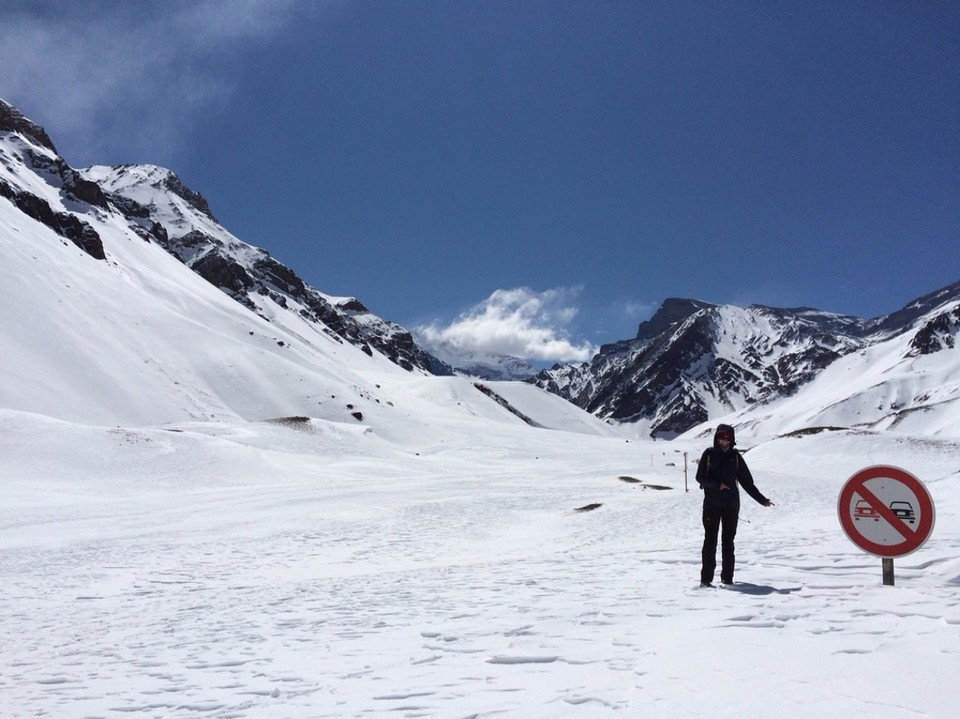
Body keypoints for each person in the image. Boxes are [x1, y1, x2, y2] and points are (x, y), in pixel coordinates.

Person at [696, 424, 773, 587]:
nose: (724, 441)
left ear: (732, 440)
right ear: (716, 438)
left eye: (728, 438)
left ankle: (727, 578)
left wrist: (761, 499)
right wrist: (718, 485)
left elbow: (747, 482)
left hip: (731, 506)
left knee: (728, 542)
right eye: (721, 437)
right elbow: (700, 478)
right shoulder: (708, 454)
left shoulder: (736, 457)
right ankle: (706, 580)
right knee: (710, 541)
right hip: (711, 505)